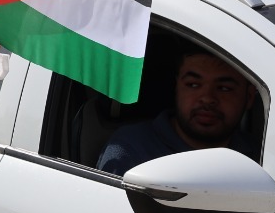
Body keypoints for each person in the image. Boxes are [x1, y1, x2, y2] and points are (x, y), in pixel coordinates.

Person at [97, 48, 256, 176]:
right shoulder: (131, 149)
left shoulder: (260, 157)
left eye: (224, 88)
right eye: (193, 85)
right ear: (177, 87)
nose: (207, 98)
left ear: (249, 97)